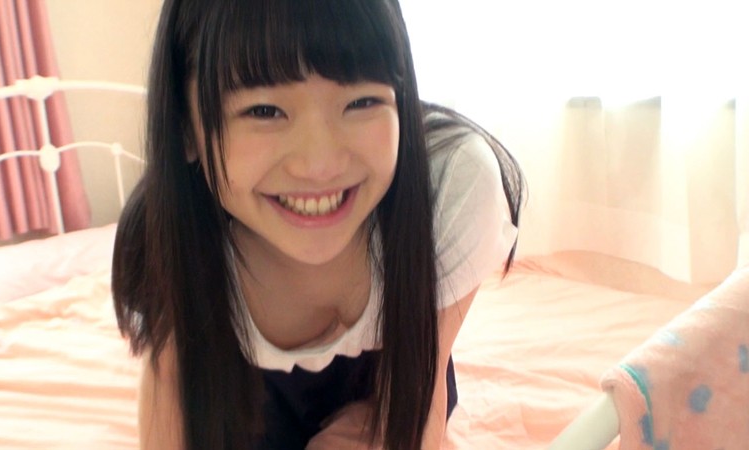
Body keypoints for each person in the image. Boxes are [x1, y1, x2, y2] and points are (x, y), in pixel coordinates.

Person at [111, 0, 524, 449]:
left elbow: (421, 382)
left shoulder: (448, 187)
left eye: (362, 101)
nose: (319, 165)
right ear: (185, 130)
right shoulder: (162, 245)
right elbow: (171, 387)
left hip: (397, 368)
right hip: (242, 393)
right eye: (264, 111)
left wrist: (380, 424)